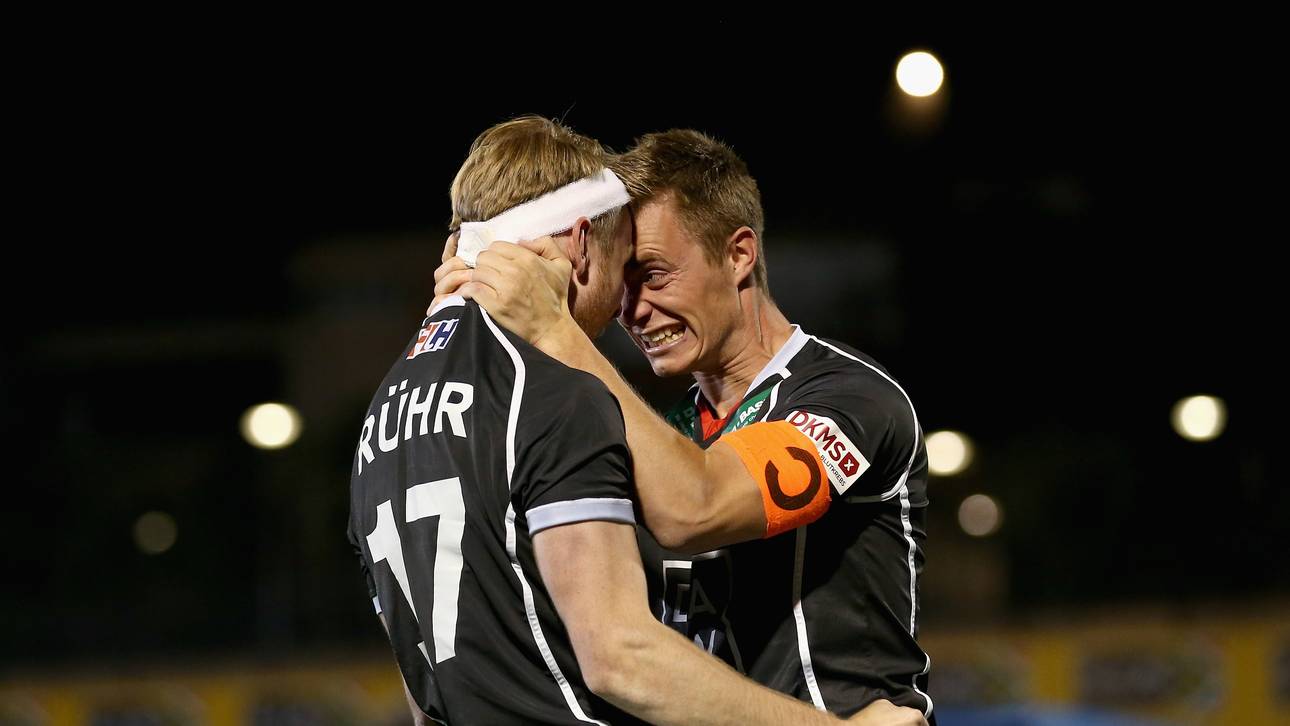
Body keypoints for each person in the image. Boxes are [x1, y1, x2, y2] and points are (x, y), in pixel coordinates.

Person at [351, 116, 927, 726]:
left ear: (738, 254)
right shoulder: (657, 428)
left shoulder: (851, 397)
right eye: (621, 279)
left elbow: (698, 506)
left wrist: (555, 331)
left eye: (652, 274)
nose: (633, 310)